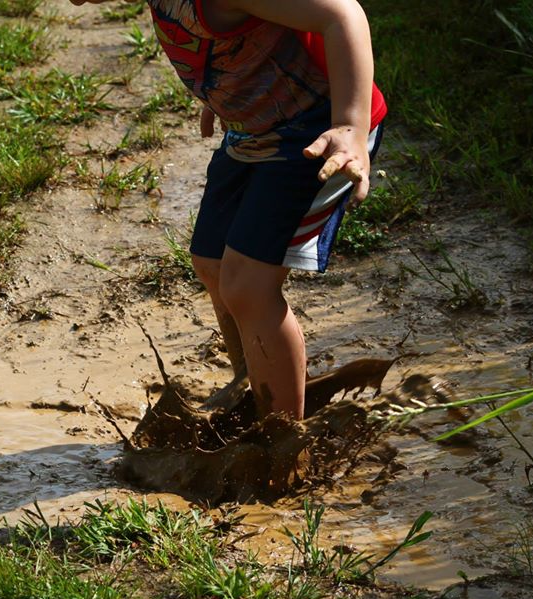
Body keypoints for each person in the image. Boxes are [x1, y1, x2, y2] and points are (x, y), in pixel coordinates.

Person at [70, 0, 386, 420]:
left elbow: (342, 15)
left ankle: (283, 436)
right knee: (212, 261)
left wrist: (349, 126)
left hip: (317, 132)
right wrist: (223, 89)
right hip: (254, 126)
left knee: (248, 286)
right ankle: (253, 383)